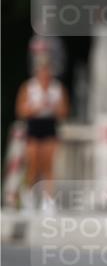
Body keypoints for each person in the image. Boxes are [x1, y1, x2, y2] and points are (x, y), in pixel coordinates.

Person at [14, 55, 69, 210]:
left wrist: (54, 108)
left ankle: (48, 201)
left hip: (49, 125)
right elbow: (20, 111)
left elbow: (64, 111)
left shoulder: (57, 88)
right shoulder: (29, 87)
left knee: (48, 165)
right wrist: (35, 108)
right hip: (34, 125)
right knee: (33, 164)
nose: (45, 75)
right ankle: (29, 199)